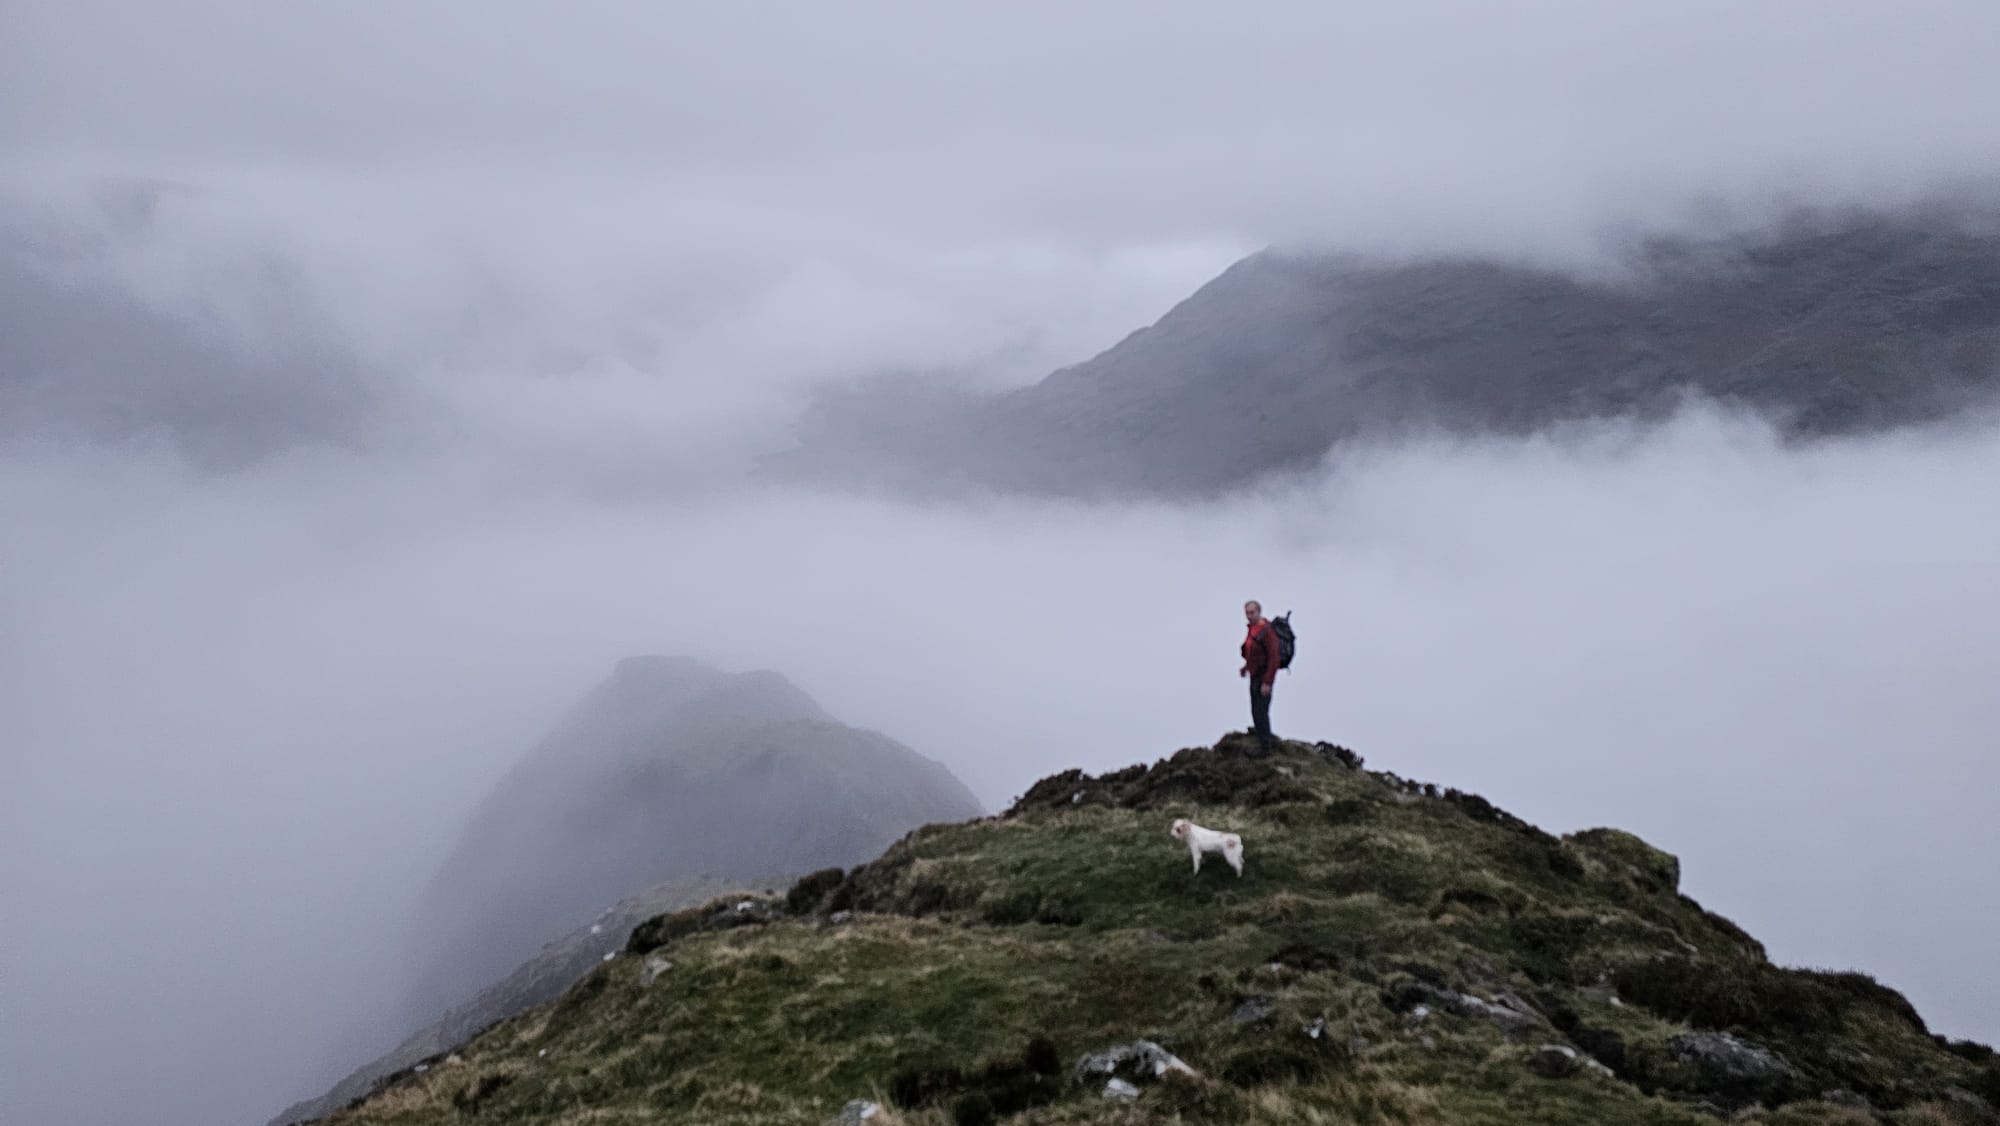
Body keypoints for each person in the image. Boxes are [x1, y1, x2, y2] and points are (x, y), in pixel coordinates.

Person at [1239, 599, 1280, 755]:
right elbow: (1252, 652)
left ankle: (1265, 747)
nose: (1249, 616)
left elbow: (1274, 658)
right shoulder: (1252, 629)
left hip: (1263, 676)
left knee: (1261, 710)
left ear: (1259, 612)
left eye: (1252, 612)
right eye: (1247, 613)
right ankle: (1262, 735)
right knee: (1255, 710)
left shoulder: (1266, 631)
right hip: (1254, 675)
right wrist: (1246, 667)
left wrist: (1267, 682)